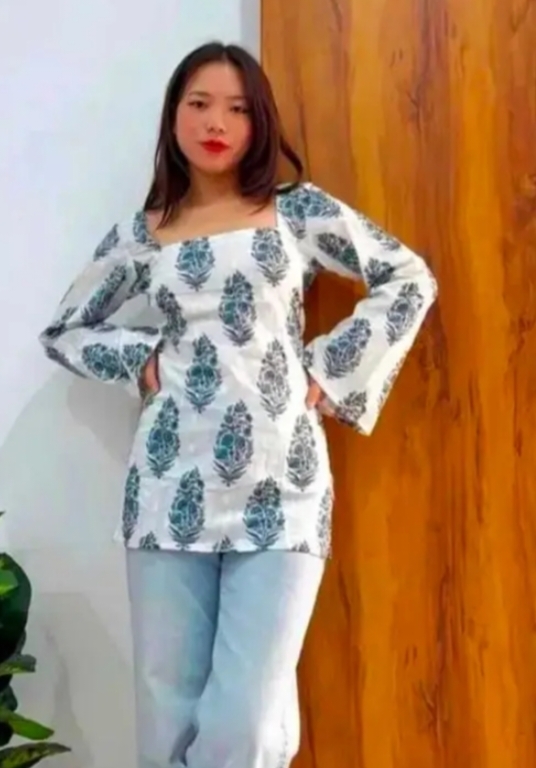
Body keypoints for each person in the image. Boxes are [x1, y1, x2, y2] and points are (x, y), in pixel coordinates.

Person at [39, 41, 437, 768]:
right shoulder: (143, 233)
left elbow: (407, 278)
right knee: (168, 712)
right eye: (199, 104)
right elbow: (65, 330)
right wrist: (140, 360)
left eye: (237, 108)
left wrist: (330, 371)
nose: (216, 122)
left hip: (282, 486)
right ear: (174, 117)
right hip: (166, 489)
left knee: (247, 721)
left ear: (260, 123)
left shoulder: (297, 211)